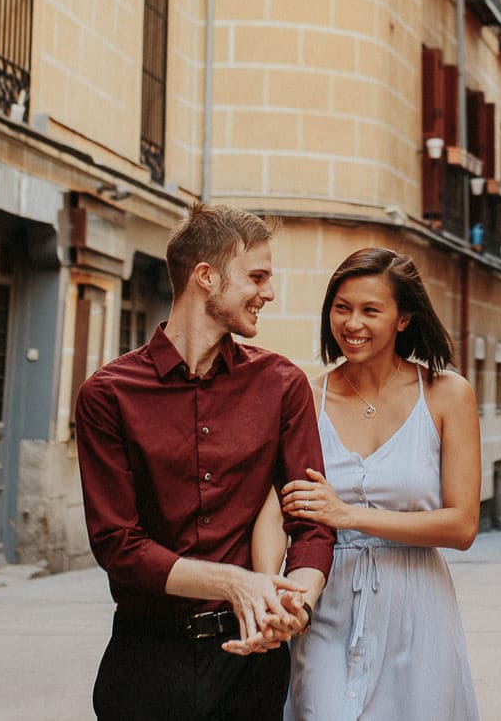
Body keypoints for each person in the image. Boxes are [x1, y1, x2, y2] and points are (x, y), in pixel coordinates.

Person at [75, 204, 334, 721]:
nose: (269, 293)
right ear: (206, 277)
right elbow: (118, 545)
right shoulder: (107, 394)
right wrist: (234, 582)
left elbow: (310, 523)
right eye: (257, 277)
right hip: (146, 660)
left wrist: (295, 607)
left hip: (251, 666)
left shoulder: (283, 385)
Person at [262, 247, 483, 721]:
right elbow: (279, 506)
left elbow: (462, 525)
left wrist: (349, 515)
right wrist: (272, 590)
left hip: (417, 603)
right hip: (326, 598)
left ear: (403, 318)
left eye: (370, 310)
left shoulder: (447, 394)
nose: (351, 323)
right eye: (341, 308)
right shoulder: (306, 394)